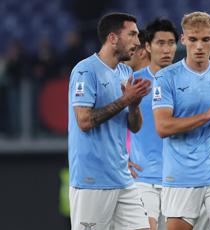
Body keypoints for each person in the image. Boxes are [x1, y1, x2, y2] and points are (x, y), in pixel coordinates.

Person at [152, 11, 210, 230]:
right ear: (183, 40)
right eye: (193, 39)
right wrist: (207, 115)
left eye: (205, 39)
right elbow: (163, 127)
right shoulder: (167, 77)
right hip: (181, 176)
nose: (199, 46)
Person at [68, 12, 151, 230]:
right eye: (132, 34)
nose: (137, 41)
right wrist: (125, 99)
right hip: (92, 181)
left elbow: (135, 126)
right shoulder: (85, 71)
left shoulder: (125, 72)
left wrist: (134, 105)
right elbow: (84, 121)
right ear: (113, 38)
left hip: (122, 178)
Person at [128, 17, 178, 230]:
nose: (166, 49)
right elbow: (111, 124)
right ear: (147, 47)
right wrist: (120, 159)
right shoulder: (133, 82)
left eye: (171, 43)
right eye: (160, 43)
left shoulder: (188, 80)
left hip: (179, 180)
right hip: (143, 179)